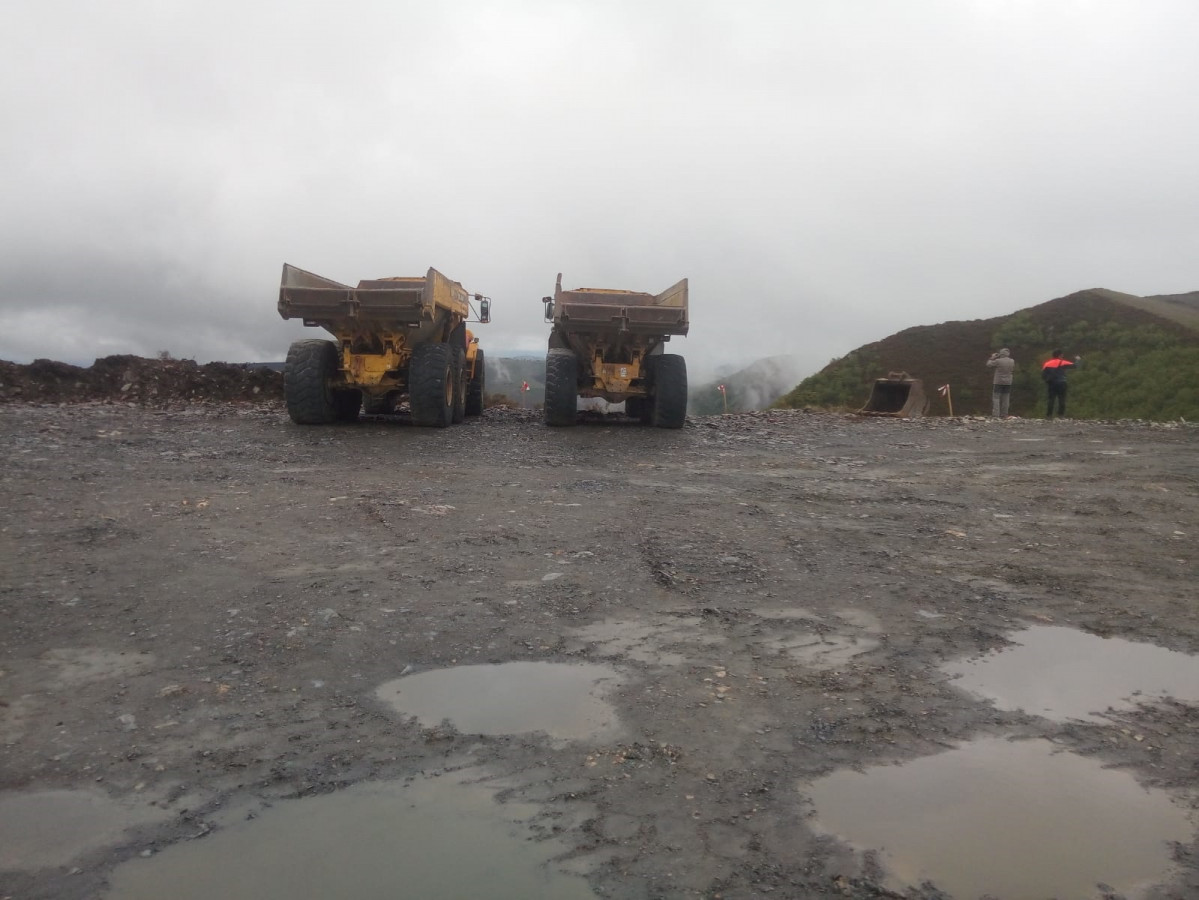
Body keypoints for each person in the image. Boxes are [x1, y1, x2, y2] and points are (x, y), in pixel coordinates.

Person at [1041, 348, 1081, 418]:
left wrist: (1047, 381)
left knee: (1051, 399)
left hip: (1051, 383)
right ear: (1060, 355)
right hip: (1061, 382)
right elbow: (1075, 366)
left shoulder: (1047, 363)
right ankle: (1060, 415)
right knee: (1062, 399)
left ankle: (1049, 415)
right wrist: (1078, 359)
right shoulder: (1062, 362)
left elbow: (1043, 375)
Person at [986, 348, 1015, 417]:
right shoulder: (1012, 361)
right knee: (1006, 398)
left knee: (996, 398)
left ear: (1001, 354)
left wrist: (992, 357)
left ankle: (996, 414)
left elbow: (988, 364)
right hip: (1008, 382)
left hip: (998, 382)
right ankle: (1004, 414)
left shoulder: (998, 361)